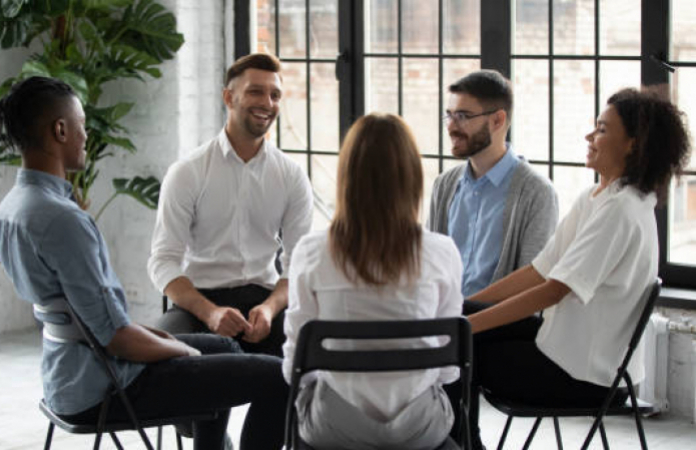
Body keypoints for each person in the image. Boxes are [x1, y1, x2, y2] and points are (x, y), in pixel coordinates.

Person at [0, 76, 288, 450]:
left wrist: (163, 339)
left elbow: (91, 322)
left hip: (66, 375)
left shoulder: (10, 211)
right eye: (82, 126)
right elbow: (118, 340)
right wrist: (180, 350)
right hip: (108, 385)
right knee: (279, 375)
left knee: (224, 348)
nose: (85, 136)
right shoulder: (64, 220)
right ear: (61, 130)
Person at [446, 88, 692, 450]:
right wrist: (465, 306)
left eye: (603, 130)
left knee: (458, 350)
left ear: (633, 145)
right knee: (456, 323)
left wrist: (464, 327)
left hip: (581, 375)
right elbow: (539, 271)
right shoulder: (598, 197)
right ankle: (465, 443)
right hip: (559, 346)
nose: (590, 137)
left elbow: (553, 290)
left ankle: (464, 445)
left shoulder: (622, 210)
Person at [282, 113, 464, 449]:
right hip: (419, 430)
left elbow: (295, 366)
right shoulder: (442, 252)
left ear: (346, 177)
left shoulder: (310, 252)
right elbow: (449, 371)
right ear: (411, 178)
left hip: (333, 428)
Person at [148, 53, 313, 357]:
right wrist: (210, 313)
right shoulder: (188, 172)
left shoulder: (292, 176)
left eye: (275, 95)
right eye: (255, 91)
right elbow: (164, 261)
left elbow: (298, 265)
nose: (267, 102)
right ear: (229, 97)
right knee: (168, 356)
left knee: (308, 351)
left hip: (265, 302)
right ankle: (211, 406)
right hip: (200, 300)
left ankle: (268, 406)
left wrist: (270, 307)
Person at [428, 70, 558, 297]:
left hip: (499, 329)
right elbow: (429, 266)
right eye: (449, 115)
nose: (450, 127)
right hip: (443, 323)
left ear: (497, 120)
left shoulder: (537, 193)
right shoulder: (444, 185)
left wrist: (468, 320)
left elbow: (532, 287)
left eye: (463, 116)